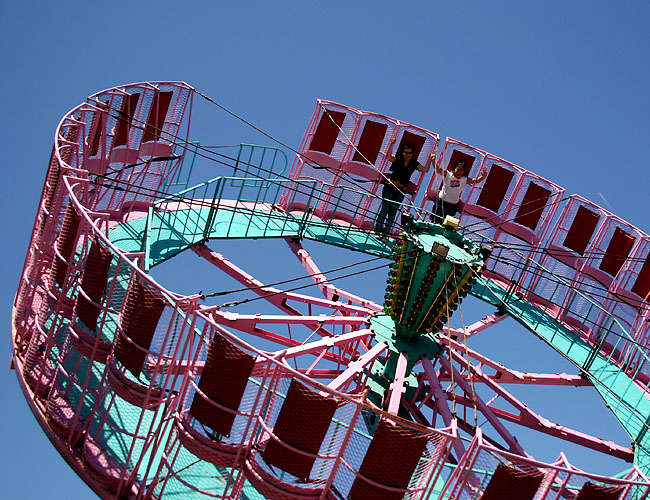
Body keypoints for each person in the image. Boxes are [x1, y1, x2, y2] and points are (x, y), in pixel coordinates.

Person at [373, 139, 434, 237]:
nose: (408, 155)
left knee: (393, 213)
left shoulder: (414, 163)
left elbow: (425, 170)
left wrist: (431, 160)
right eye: (406, 152)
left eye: (410, 153)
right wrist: (391, 144)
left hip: (400, 191)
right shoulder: (399, 159)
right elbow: (388, 157)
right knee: (384, 209)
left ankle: (385, 234)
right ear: (403, 152)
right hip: (390, 187)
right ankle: (377, 231)